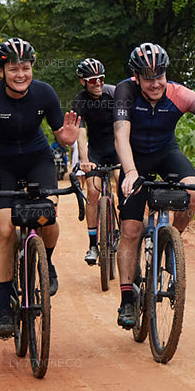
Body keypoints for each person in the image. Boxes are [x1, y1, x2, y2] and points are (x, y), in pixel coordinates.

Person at [112, 43, 195, 328]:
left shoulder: (178, 93)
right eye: (148, 77)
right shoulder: (125, 92)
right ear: (136, 77)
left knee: (194, 190)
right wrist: (130, 172)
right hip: (135, 158)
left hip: (166, 153)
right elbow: (121, 136)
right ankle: (127, 298)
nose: (155, 83)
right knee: (130, 229)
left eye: (160, 76)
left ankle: (171, 239)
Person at [0, 38, 80, 337]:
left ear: (32, 67)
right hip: (3, 166)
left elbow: (60, 134)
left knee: (47, 215)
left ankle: (46, 262)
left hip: (37, 160)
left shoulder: (44, 92)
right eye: (13, 68)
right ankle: (4, 309)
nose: (20, 74)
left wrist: (67, 138)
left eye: (25, 67)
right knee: (5, 230)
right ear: (1, 69)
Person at [70, 57, 117, 266]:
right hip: (96, 150)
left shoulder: (114, 93)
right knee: (92, 191)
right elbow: (81, 134)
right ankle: (92, 245)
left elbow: (126, 125)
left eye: (100, 79)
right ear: (83, 82)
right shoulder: (80, 100)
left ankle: (124, 230)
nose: (97, 83)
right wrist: (85, 160)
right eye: (92, 80)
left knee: (124, 185)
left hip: (116, 147)